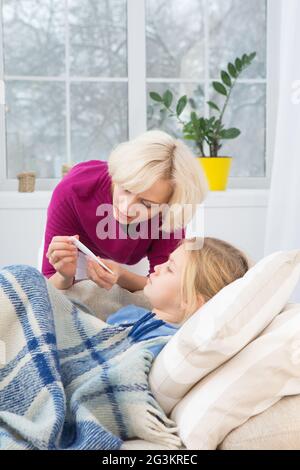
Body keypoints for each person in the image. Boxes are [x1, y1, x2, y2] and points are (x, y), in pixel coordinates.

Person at [43, 130, 208, 293]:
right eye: (126, 189)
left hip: (134, 263)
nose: (126, 208)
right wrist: (64, 275)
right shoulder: (73, 190)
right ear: (117, 175)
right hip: (80, 256)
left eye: (147, 204)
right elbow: (50, 281)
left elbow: (168, 287)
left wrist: (122, 276)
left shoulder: (171, 209)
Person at [106, 237, 250, 356]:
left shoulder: (168, 346)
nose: (157, 268)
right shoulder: (128, 313)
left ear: (189, 300)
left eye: (169, 268)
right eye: (167, 261)